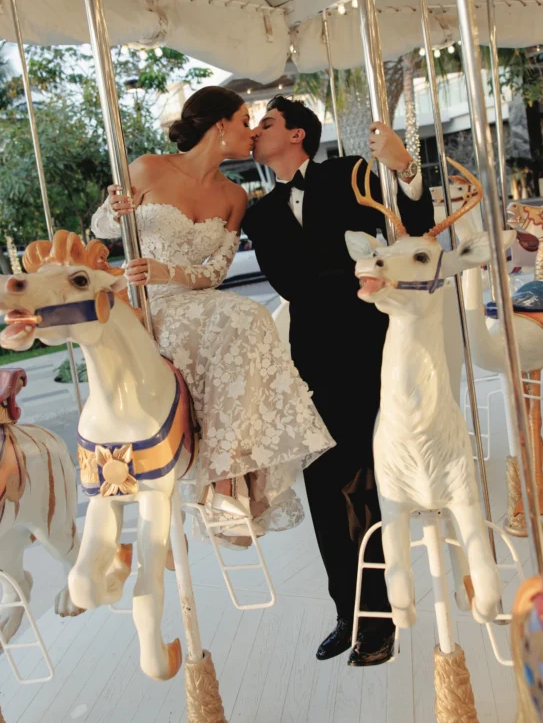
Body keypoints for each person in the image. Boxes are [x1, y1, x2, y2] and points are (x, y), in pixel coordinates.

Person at [90, 86, 334, 547]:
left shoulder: (234, 195)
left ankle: (227, 483)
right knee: (243, 319)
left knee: (250, 316)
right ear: (220, 125)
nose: (252, 133)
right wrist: (114, 208)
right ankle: (226, 480)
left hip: (198, 302)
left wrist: (171, 269)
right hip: (150, 305)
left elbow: (215, 272)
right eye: (246, 122)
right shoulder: (147, 167)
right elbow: (103, 228)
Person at [242, 97, 435, 667]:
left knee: (363, 484)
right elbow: (290, 282)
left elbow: (413, 231)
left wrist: (404, 169)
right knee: (325, 487)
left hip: (376, 348)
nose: (256, 131)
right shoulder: (259, 213)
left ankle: (378, 618)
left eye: (267, 123)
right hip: (314, 361)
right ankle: (347, 612)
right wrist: (344, 271)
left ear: (296, 133)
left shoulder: (351, 172)